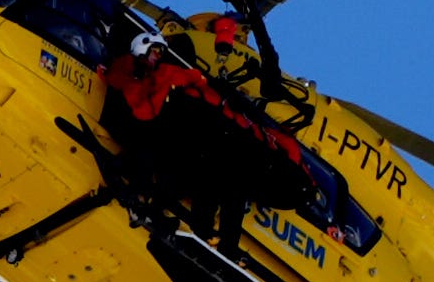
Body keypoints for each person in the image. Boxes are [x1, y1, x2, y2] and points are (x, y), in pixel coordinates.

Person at [101, 29, 320, 249]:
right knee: (209, 177)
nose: (157, 56)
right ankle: (205, 232)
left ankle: (197, 229)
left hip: (199, 143)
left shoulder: (165, 77)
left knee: (206, 177)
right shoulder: (148, 73)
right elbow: (142, 104)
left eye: (160, 52)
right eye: (155, 51)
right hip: (185, 132)